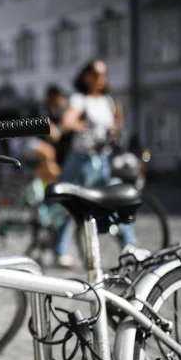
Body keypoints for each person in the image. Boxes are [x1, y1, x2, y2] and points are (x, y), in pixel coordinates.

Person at [54, 59, 135, 268]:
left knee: (115, 197)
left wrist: (115, 129)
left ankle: (130, 246)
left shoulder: (107, 101)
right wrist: (81, 124)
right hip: (81, 157)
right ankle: (60, 250)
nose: (101, 79)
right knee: (68, 199)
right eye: (97, 74)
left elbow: (116, 124)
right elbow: (67, 121)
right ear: (86, 76)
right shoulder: (80, 99)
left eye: (104, 74)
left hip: (101, 157)